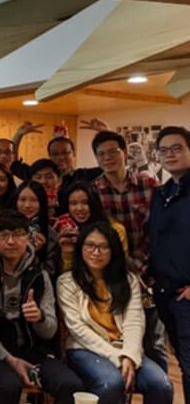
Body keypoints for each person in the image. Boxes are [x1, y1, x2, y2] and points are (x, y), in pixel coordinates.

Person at [0, 210, 83, 404]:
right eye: (3, 235)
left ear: (28, 238)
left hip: (33, 350)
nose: (11, 241)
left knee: (70, 384)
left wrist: (39, 318)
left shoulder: (40, 276)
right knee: (7, 387)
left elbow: (50, 331)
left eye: (18, 234)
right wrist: (8, 358)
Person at [57, 223, 173, 404]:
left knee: (161, 385)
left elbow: (134, 322)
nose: (96, 252)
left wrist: (129, 356)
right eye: (90, 246)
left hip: (125, 348)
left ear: (114, 250)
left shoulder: (128, 280)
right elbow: (77, 329)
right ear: (80, 248)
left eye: (104, 247)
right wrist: (117, 358)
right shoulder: (66, 282)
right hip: (85, 349)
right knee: (111, 383)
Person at [91, 130, 167, 370]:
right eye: (101, 154)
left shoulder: (148, 185)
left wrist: (140, 263)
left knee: (154, 342)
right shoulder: (94, 191)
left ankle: (160, 385)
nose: (107, 158)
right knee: (120, 338)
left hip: (150, 271)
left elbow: (160, 228)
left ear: (124, 153)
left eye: (113, 152)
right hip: (113, 274)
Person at [149, 126, 190, 402]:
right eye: (164, 150)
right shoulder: (162, 193)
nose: (170, 154)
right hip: (165, 293)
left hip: (187, 294)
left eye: (177, 148)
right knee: (185, 365)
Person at [10, 120, 105, 197]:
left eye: (65, 152)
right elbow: (13, 163)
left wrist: (105, 133)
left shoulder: (83, 176)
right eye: (55, 154)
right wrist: (18, 135)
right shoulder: (37, 175)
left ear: (73, 153)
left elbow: (109, 166)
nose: (61, 157)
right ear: (49, 155)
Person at [57, 181, 128, 273]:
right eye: (73, 203)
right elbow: (68, 273)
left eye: (85, 203)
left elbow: (119, 267)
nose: (79, 208)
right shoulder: (67, 231)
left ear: (94, 203)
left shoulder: (115, 230)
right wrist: (68, 251)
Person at [13, 180, 61, 279]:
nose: (27, 205)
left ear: (41, 203)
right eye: (22, 199)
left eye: (33, 200)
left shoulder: (51, 236)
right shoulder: (5, 228)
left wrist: (33, 253)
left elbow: (49, 274)